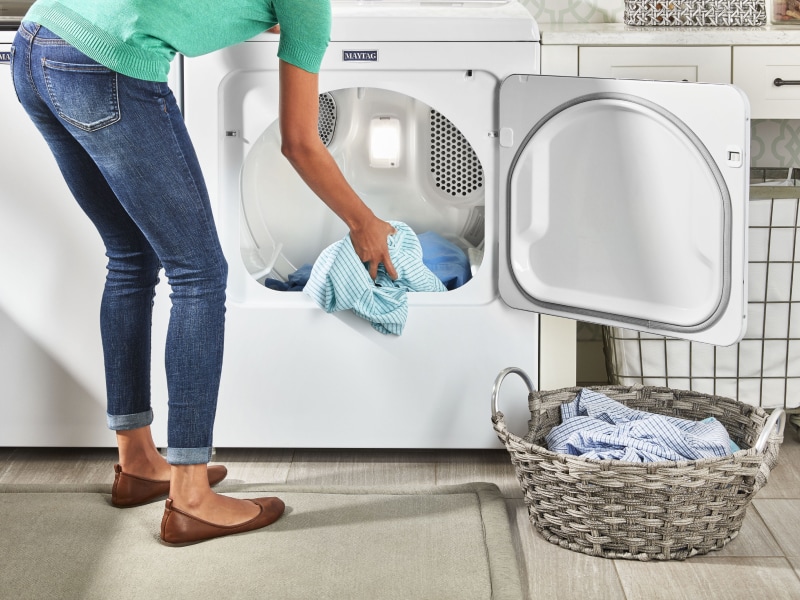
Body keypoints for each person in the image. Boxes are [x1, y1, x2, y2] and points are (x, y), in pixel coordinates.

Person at [10, 0, 398, 546]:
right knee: (198, 274)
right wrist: (364, 222)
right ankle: (191, 496)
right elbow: (300, 143)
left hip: (37, 40)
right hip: (104, 67)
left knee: (130, 256)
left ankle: (139, 461)